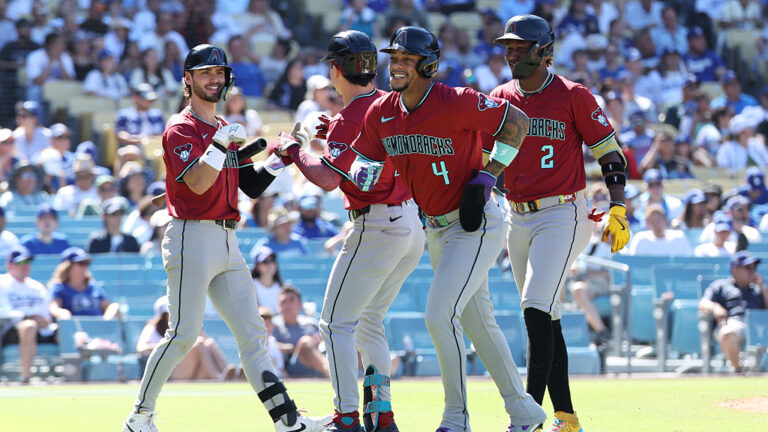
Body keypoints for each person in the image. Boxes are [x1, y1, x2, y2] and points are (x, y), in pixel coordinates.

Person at [348, 25, 546, 432]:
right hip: (437, 230)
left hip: (475, 223)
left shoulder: (457, 101)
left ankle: (456, 418)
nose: (396, 65)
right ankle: (525, 412)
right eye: (394, 58)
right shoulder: (381, 111)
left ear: (429, 64)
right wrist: (340, 165)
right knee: (477, 325)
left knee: (439, 317)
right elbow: (362, 167)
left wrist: (490, 174)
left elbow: (518, 122)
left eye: (406, 58)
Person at [122, 44, 327, 432]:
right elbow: (198, 184)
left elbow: (250, 185)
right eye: (205, 73)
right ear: (188, 79)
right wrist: (219, 145)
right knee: (182, 334)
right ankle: (139, 416)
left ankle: (287, 420)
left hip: (227, 239)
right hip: (192, 235)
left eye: (219, 73)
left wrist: (286, 152)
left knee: (254, 335)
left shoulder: (221, 129)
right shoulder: (181, 128)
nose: (214, 79)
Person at [274, 29, 424, 432]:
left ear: (337, 70)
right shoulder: (389, 104)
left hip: (377, 224)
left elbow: (325, 179)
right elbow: (364, 147)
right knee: (371, 320)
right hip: (411, 222)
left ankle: (346, 417)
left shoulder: (352, 116)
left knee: (335, 324)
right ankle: (382, 414)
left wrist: (296, 152)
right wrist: (334, 131)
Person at [489, 15, 629, 432]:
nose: (511, 52)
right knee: (544, 315)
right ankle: (565, 417)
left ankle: (528, 414)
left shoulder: (573, 95)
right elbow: (488, 160)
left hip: (563, 210)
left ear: (543, 51)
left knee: (535, 305)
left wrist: (618, 207)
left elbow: (610, 154)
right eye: (508, 46)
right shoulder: (499, 96)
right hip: (518, 215)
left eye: (520, 46)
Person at [136, 296, 236, 381]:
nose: (176, 316)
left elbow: (204, 340)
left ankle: (230, 375)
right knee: (199, 343)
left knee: (209, 342)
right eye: (171, 313)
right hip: (169, 372)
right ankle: (218, 378)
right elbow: (141, 348)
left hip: (193, 369)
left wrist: (195, 329)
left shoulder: (184, 326)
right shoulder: (151, 328)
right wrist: (168, 346)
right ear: (163, 316)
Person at [699, 251, 768, 372]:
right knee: (727, 333)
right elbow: (703, 303)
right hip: (735, 323)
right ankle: (739, 371)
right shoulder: (721, 286)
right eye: (748, 267)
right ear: (735, 270)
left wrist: (762, 287)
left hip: (759, 323)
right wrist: (716, 307)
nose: (752, 271)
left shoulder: (758, 289)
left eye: (754, 267)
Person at [0, 245, 56, 384]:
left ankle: (74, 374)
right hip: (8, 329)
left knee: (66, 329)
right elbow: (4, 312)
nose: (25, 266)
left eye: (27, 262)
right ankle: (26, 377)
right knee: (29, 326)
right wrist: (27, 317)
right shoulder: (2, 283)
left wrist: (42, 321)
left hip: (39, 328)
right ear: (9, 265)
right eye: (20, 263)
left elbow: (46, 317)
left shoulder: (37, 287)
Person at [272, 285, 329, 379]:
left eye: (291, 300)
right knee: (305, 342)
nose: (287, 305)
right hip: (293, 366)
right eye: (283, 302)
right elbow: (269, 345)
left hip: (318, 359)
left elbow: (326, 341)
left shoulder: (311, 323)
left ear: (300, 304)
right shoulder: (274, 325)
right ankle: (330, 372)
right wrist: (292, 348)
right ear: (278, 306)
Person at [48, 247, 121, 320]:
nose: (85, 267)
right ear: (68, 266)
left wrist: (106, 320)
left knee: (115, 306)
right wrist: (63, 313)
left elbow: (107, 306)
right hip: (75, 329)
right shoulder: (59, 287)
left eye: (87, 263)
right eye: (81, 263)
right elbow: (54, 308)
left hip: (98, 327)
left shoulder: (93, 286)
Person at [626, 205, 693, 256]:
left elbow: (688, 260)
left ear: (665, 220)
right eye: (652, 221)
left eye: (658, 220)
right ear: (647, 223)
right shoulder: (640, 238)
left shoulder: (680, 237)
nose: (656, 224)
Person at [251, 245, 283, 313]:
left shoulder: (281, 286)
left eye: (272, 260)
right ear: (257, 266)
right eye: (265, 261)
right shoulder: (251, 286)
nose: (270, 264)